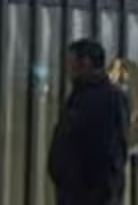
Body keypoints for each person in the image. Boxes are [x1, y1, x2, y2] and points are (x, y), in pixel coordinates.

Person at [48, 39, 130, 205]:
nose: (68, 68)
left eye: (71, 62)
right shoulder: (79, 96)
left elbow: (107, 155)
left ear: (85, 63)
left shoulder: (109, 99)